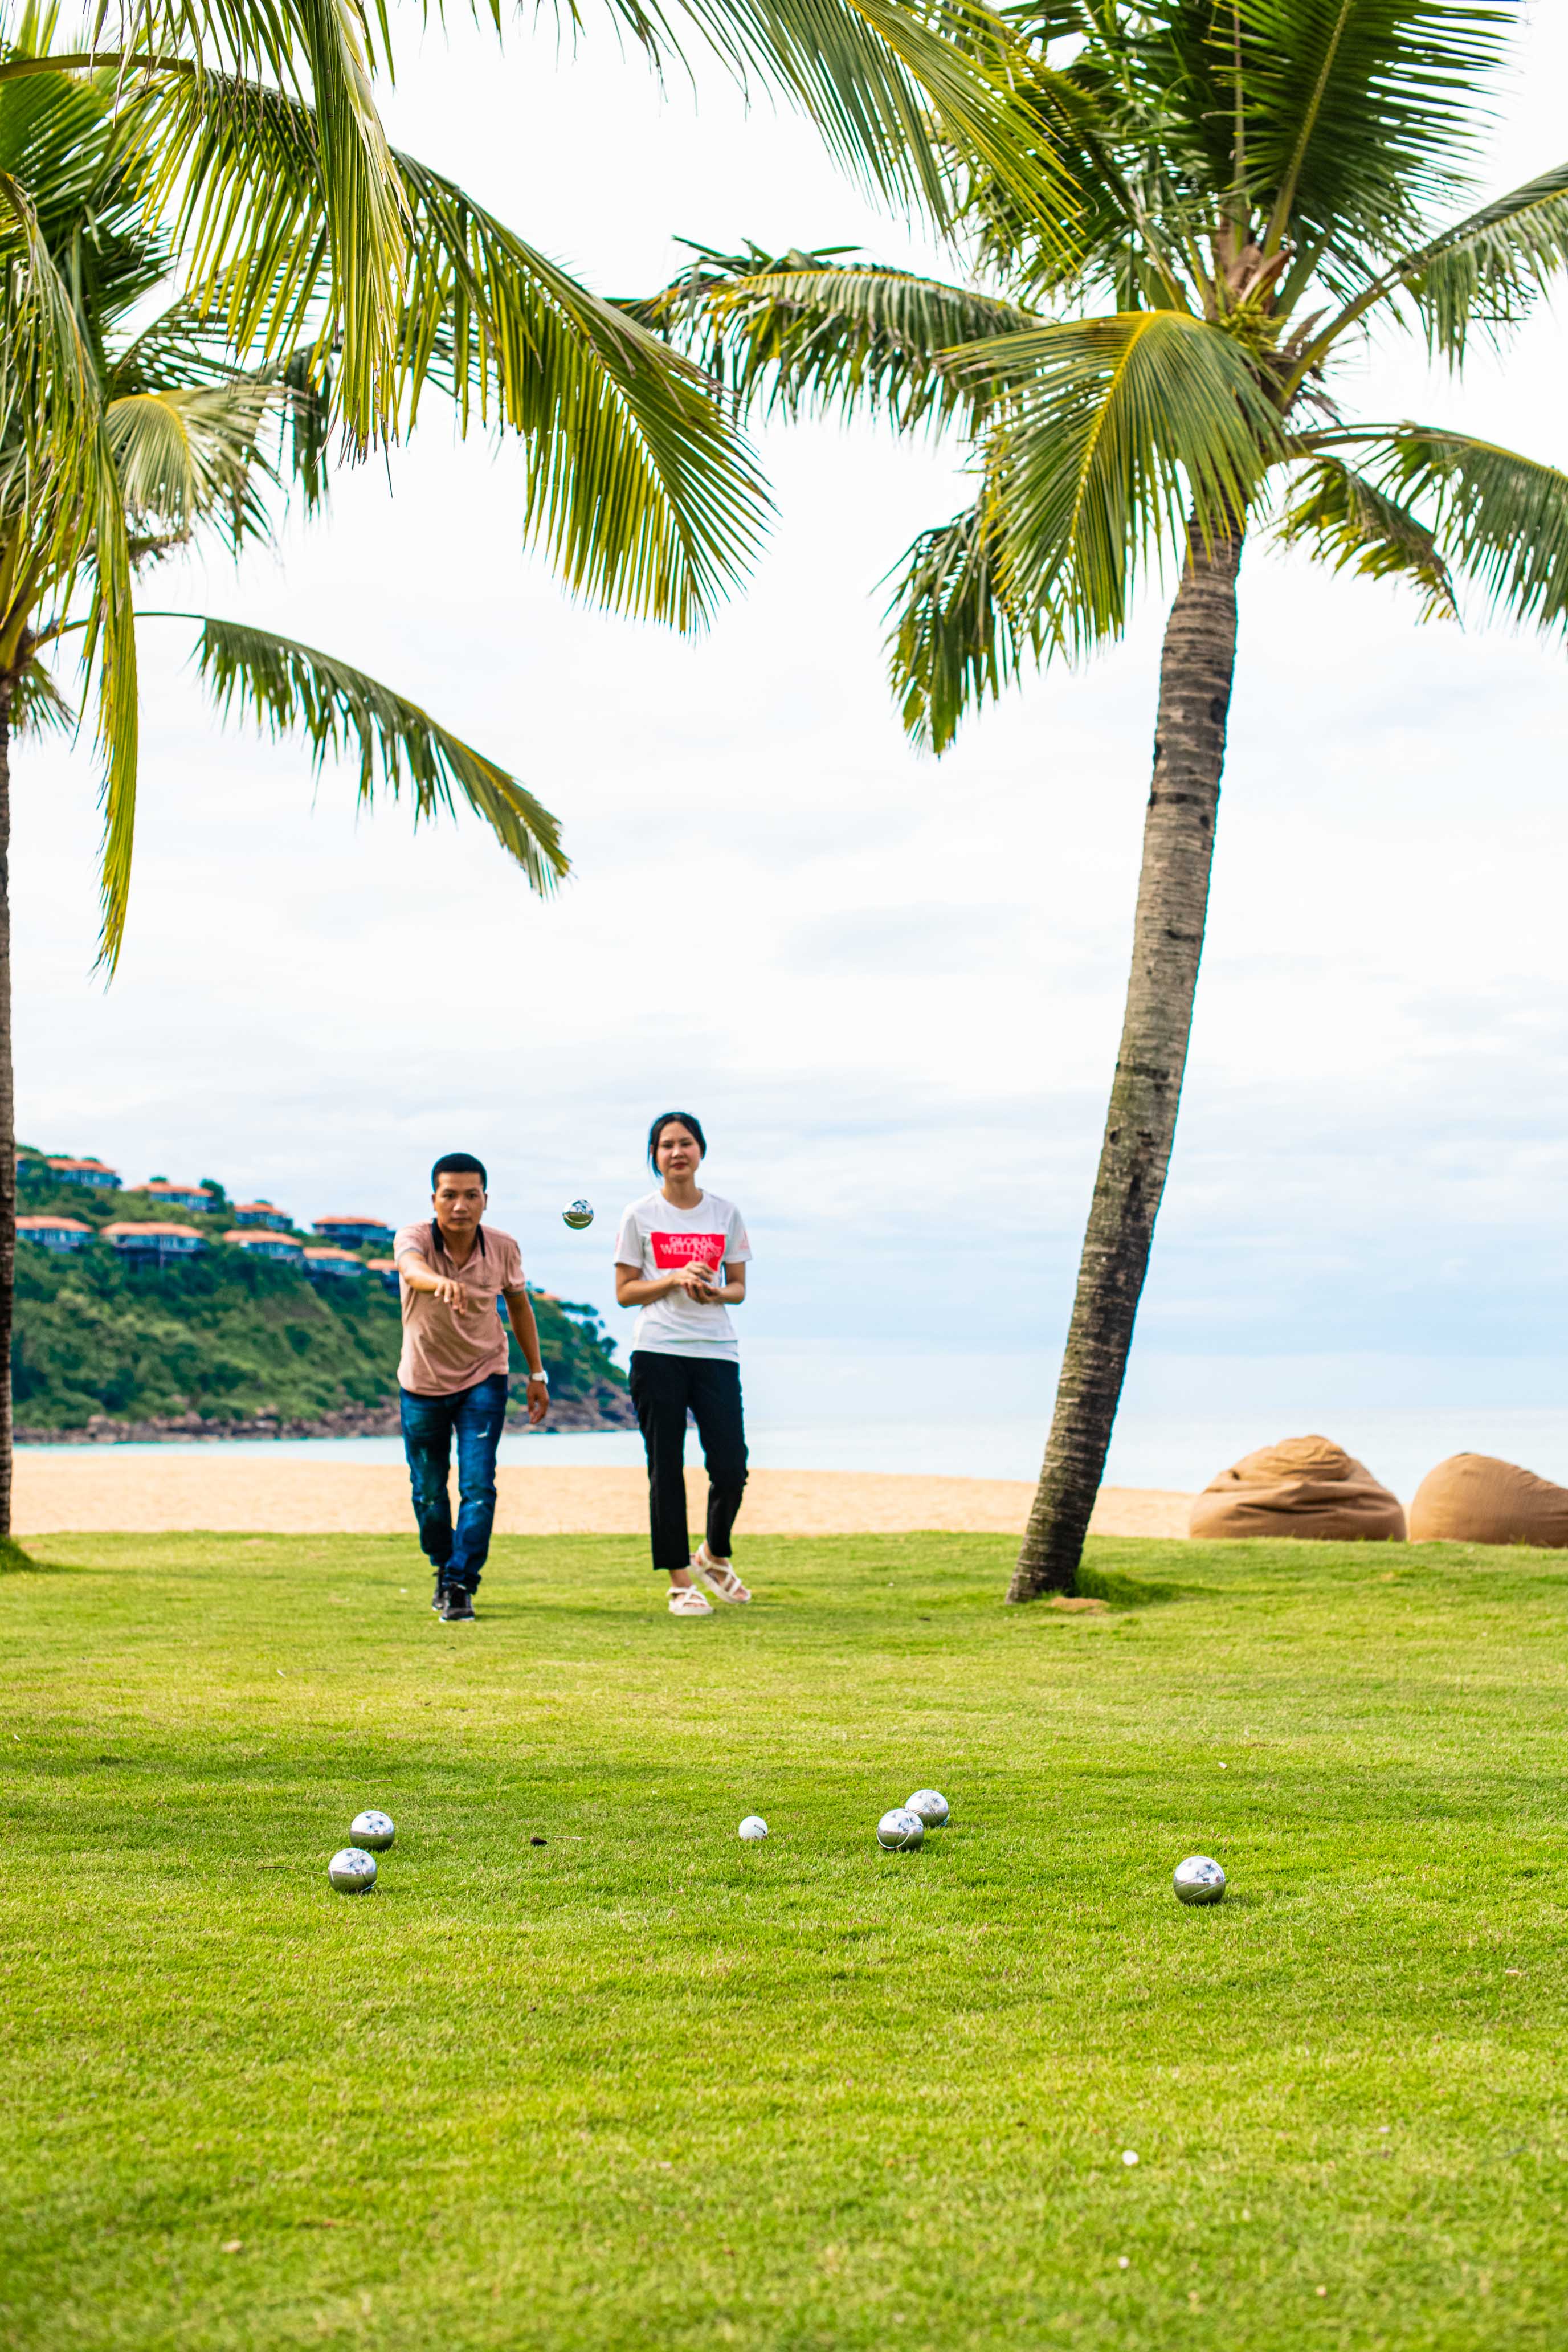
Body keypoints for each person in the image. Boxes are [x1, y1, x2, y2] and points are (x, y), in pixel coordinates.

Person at [394, 1153, 548, 1622]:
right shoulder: (414, 1237)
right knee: (428, 1492)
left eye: (471, 1195)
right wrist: (437, 1281)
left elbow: (520, 1308)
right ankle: (444, 1566)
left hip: (485, 1375)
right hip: (422, 1382)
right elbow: (411, 1270)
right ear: (434, 1199)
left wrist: (536, 1374)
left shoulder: (503, 1247)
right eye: (450, 1195)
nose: (460, 1205)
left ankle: (462, 1581)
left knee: (479, 1485)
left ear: (485, 1200)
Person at [614, 1112, 753, 1615]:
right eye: (667, 1145)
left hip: (716, 1351)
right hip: (658, 1351)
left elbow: (738, 1288)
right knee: (665, 1468)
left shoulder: (725, 1214)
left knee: (731, 1466)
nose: (677, 1152)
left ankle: (713, 1555)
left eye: (686, 1143)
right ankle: (679, 1581)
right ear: (654, 1157)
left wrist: (715, 1292)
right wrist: (673, 1278)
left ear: (701, 1151)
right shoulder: (639, 1215)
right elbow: (625, 1292)